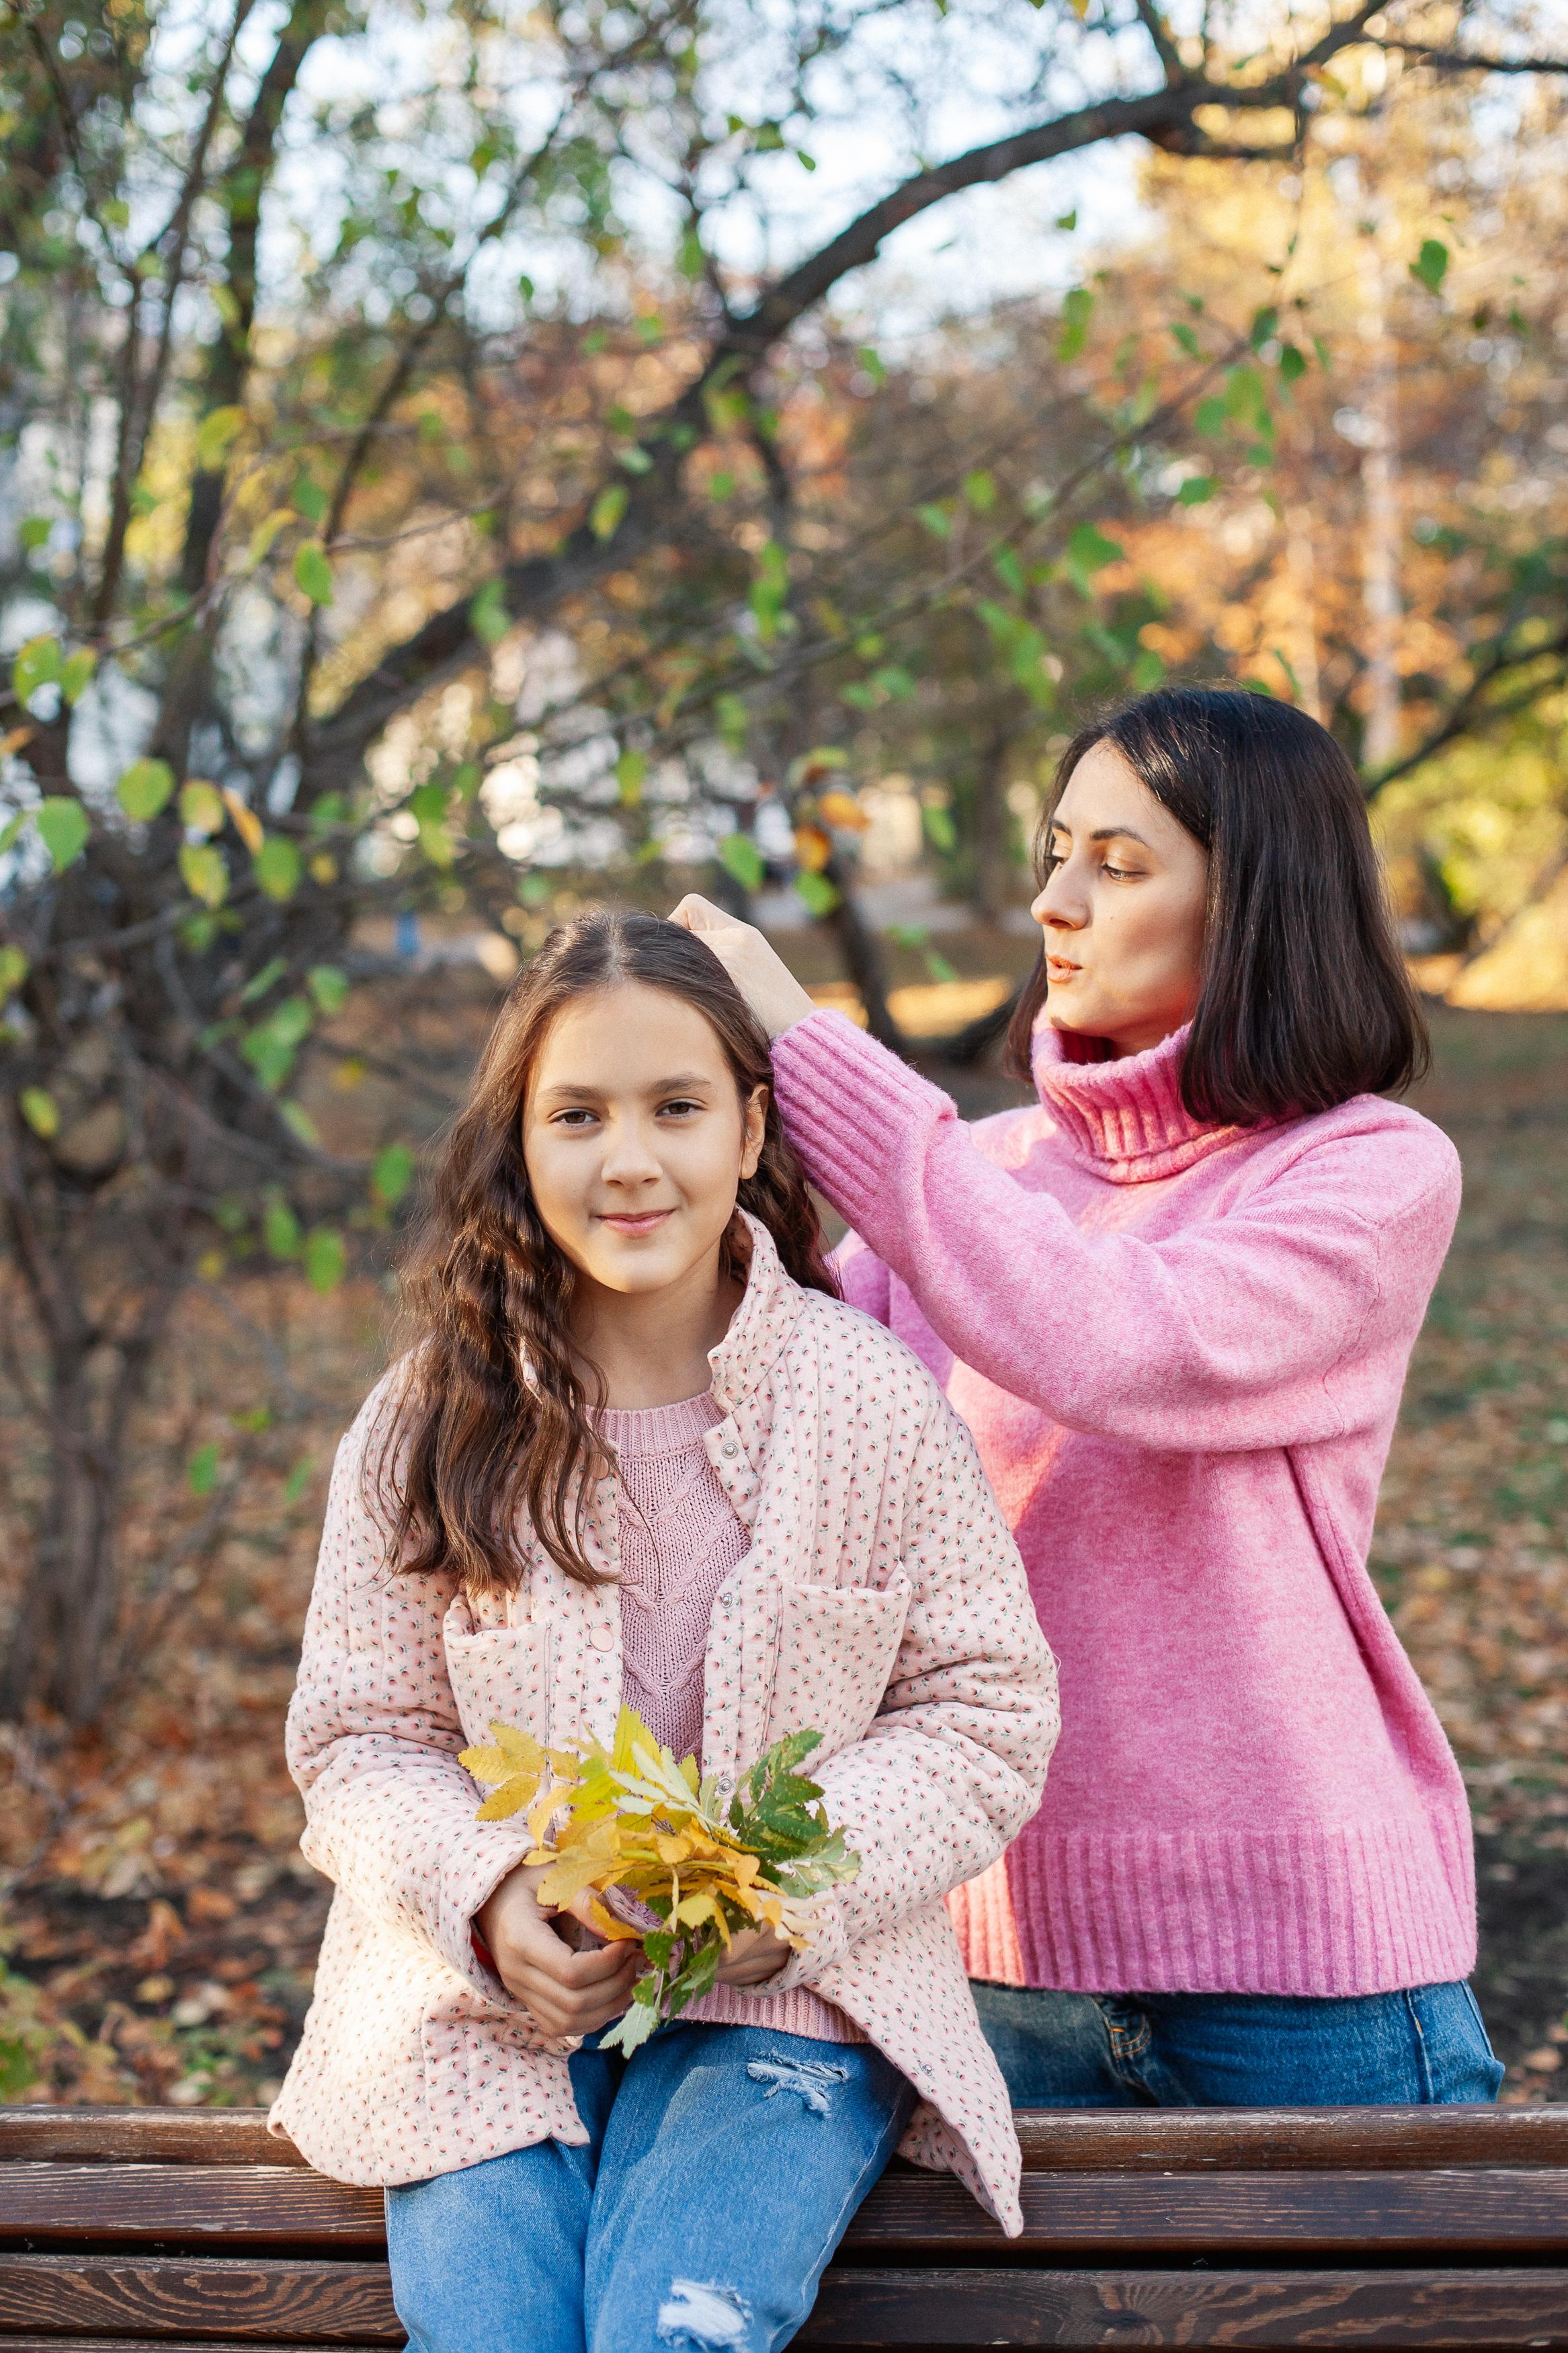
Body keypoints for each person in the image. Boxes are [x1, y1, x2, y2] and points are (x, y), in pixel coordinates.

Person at [673, 684, 1505, 2110]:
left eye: (1117, 866)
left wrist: (812, 1049)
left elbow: (1121, 1344)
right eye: (1056, 852)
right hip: (992, 1958)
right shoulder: (977, 1182)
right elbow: (762, 1401)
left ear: (1256, 906)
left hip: (1298, 1967)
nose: (1053, 903)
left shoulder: (1368, 1172)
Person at [270, 909, 1059, 2352]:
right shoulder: (431, 1421)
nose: (629, 1158)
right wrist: (488, 1894)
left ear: (750, 1130)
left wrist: (796, 1882)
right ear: (521, 1143)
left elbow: (981, 1712)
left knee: (670, 2329)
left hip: (788, 2007)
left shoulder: (866, 1405)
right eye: (577, 1115)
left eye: (676, 1108)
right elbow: (359, 1737)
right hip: (485, 2011)